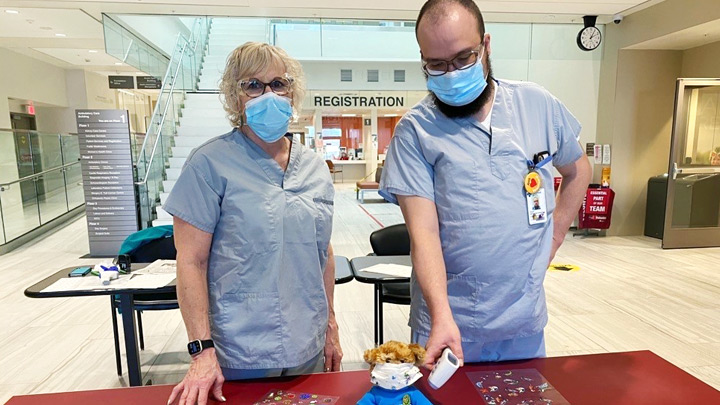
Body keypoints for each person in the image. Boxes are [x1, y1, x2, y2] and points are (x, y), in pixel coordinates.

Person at [379, 0, 592, 369]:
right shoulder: (415, 131)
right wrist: (442, 315)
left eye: (464, 58)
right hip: (449, 322)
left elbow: (578, 170)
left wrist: (554, 239)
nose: (452, 74)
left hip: (522, 316)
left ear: (486, 46)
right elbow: (423, 233)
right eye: (437, 65)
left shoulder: (535, 104)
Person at [164, 42, 342, 405]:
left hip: (305, 343)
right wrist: (201, 351)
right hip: (237, 351)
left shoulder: (313, 168)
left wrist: (331, 325)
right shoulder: (209, 165)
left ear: (293, 92)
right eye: (253, 85)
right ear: (235, 95)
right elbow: (191, 261)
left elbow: (322, 252)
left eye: (279, 83)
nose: (269, 94)